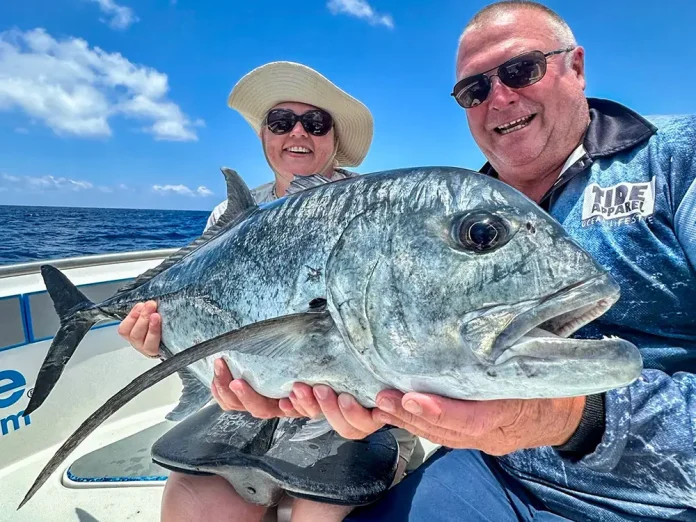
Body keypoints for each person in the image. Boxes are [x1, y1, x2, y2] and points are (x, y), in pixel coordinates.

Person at [328, 2, 694, 520]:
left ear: (577, 66)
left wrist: (572, 417)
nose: (499, 97)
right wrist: (369, 392)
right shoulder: (449, 213)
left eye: (521, 69)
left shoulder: (680, 158)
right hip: (495, 473)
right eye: (474, 90)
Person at [118, 61, 419, 522]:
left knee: (318, 511)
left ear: (335, 139)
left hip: (357, 414)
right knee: (190, 504)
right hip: (248, 407)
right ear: (263, 135)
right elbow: (207, 317)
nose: (298, 132)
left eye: (315, 123)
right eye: (282, 121)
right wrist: (161, 341)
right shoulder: (231, 214)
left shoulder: (376, 208)